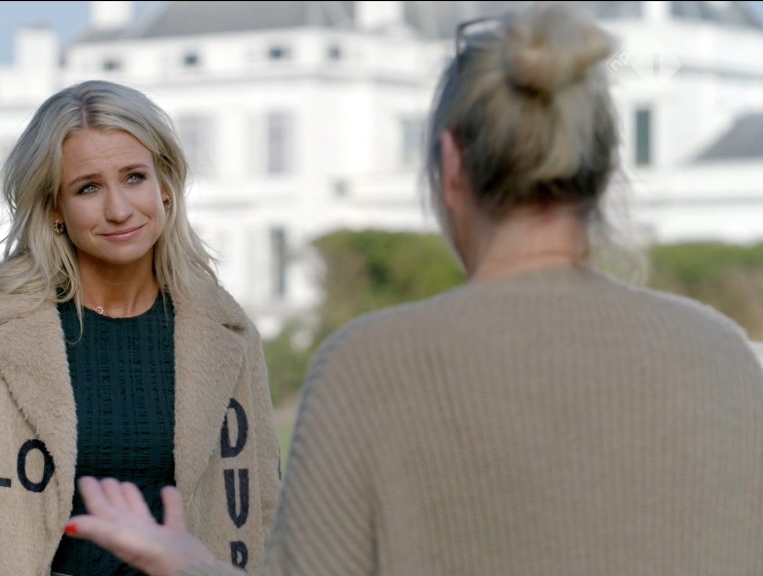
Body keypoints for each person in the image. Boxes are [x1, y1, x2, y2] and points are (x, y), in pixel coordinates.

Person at [62, 5, 763, 576]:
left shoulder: (372, 365)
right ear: (604, 169)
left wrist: (185, 564)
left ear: (451, 163)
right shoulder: (721, 352)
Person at [0, 80, 281, 576]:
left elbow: (265, 516)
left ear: (165, 185)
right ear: (55, 209)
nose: (119, 209)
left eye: (134, 178)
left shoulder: (227, 330)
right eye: (88, 188)